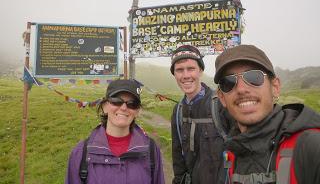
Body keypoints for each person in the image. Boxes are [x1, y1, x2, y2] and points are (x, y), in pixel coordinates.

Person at [214, 44, 320, 184]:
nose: (241, 89)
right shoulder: (230, 154)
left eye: (253, 77)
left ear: (275, 87)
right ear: (222, 97)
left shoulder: (311, 147)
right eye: (228, 82)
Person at [65, 79, 165, 184]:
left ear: (137, 111)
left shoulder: (151, 150)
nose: (123, 107)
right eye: (116, 101)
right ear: (105, 106)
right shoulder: (80, 153)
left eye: (132, 103)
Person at [170, 45, 231, 184]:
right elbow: (178, 158)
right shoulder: (178, 110)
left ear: (201, 71)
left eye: (191, 69)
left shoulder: (221, 104)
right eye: (179, 70)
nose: (185, 75)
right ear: (174, 74)